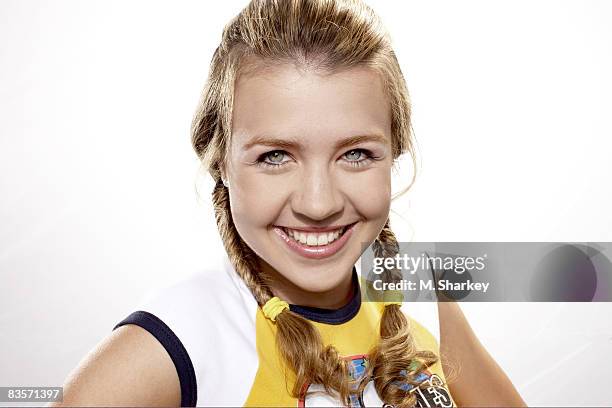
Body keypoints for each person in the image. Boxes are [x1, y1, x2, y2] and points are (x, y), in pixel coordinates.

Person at [51, 0, 526, 406]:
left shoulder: (418, 291)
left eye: (356, 154)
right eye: (275, 156)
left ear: (395, 152)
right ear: (220, 160)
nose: (318, 204)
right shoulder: (179, 339)